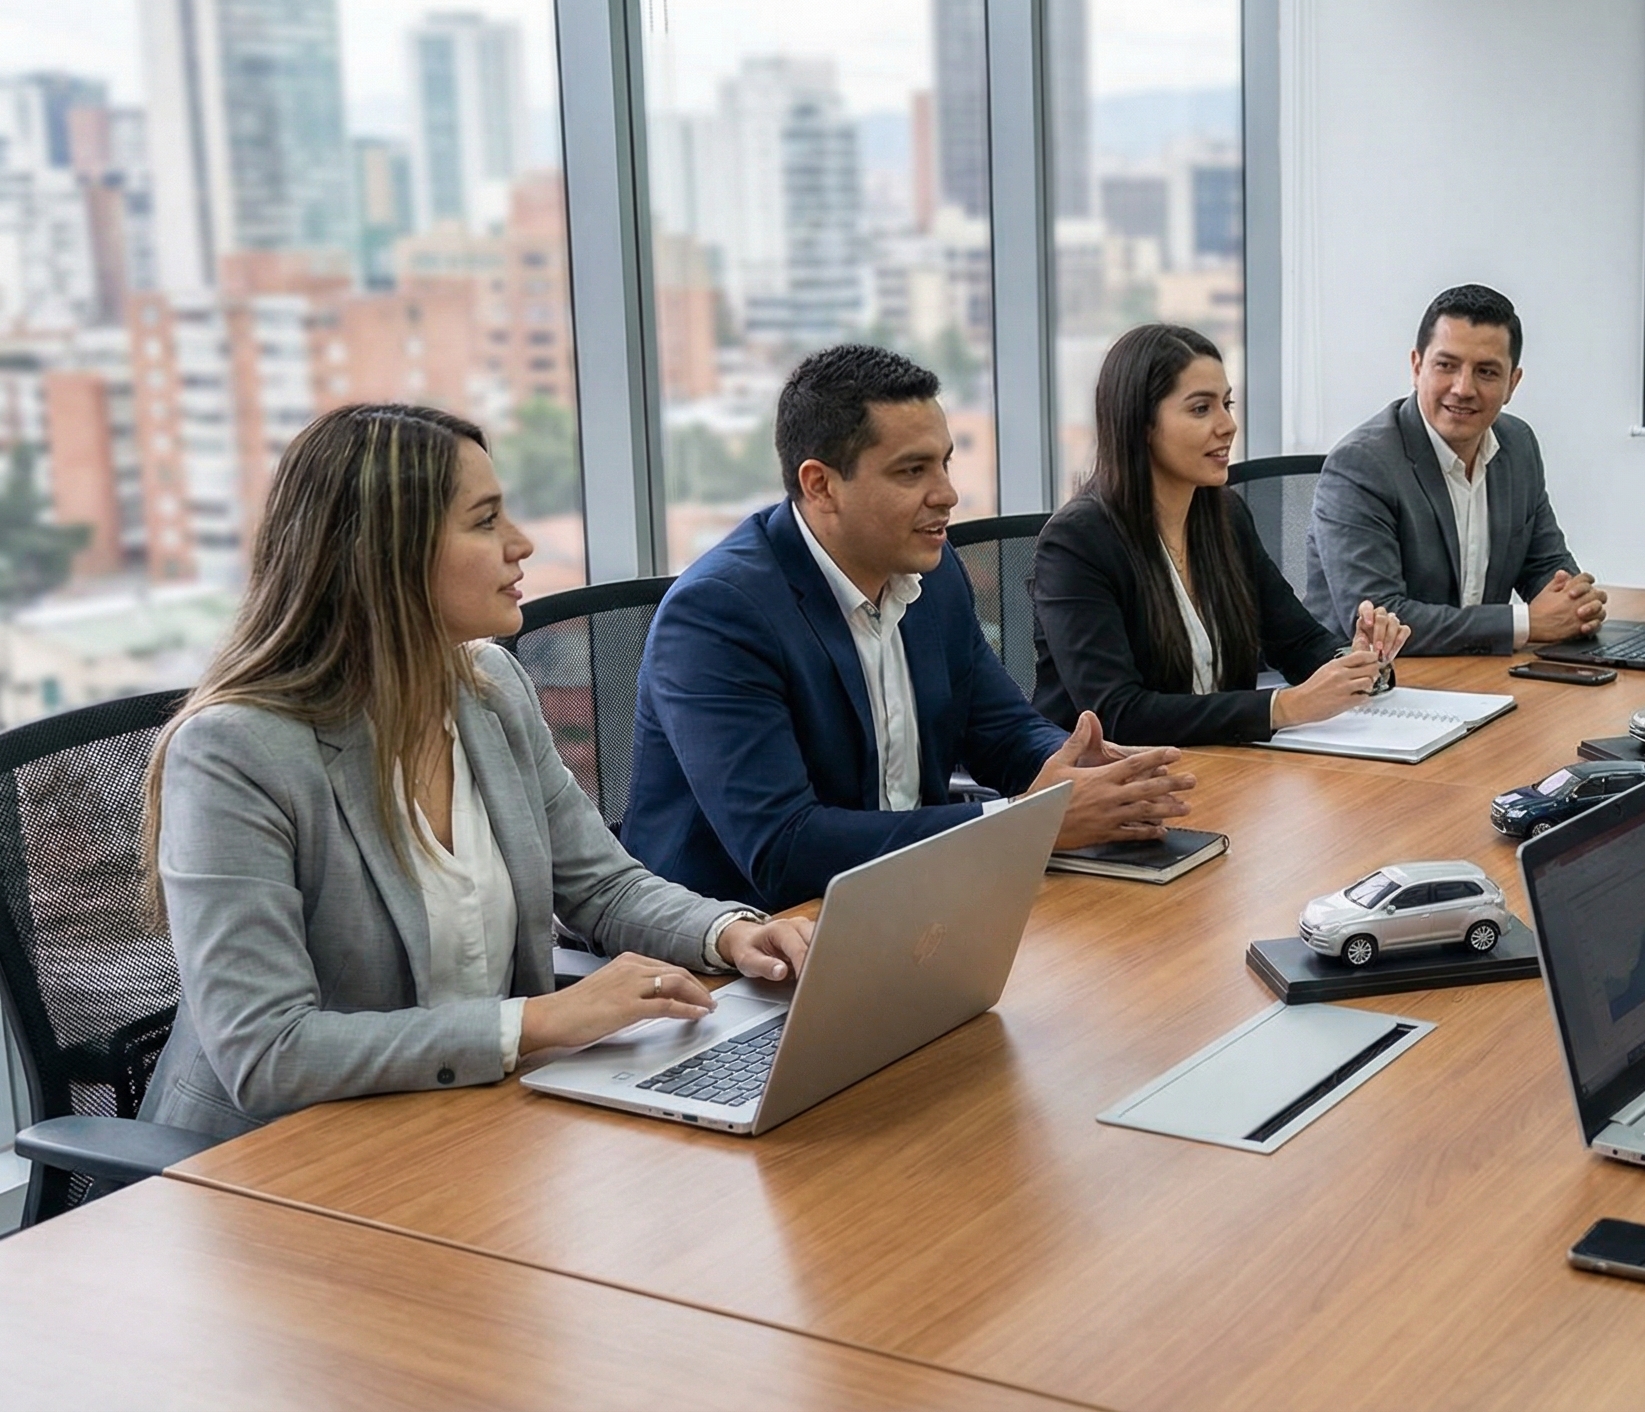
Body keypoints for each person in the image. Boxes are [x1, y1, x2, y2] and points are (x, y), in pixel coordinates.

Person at [140, 405, 816, 1139]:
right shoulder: (234, 752)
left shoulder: (488, 689)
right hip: (273, 1157)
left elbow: (600, 884)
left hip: (468, 1124)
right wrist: (536, 1022)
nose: (521, 544)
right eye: (486, 521)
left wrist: (730, 933)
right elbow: (269, 1051)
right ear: (385, 554)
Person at [625, 344, 1194, 912]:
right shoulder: (717, 614)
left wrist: (1081, 770)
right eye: (912, 471)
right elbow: (784, 849)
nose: (947, 494)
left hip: (906, 900)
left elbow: (1000, 730)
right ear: (820, 485)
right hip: (740, 937)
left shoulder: (932, 573)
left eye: (945, 463)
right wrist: (1029, 820)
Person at [1033, 324, 1411, 745]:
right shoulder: (1076, 543)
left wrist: (1358, 661)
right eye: (1201, 409)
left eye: (1226, 404)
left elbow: (1298, 642)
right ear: (1141, 424)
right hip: (1115, 774)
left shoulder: (1225, 516)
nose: (1228, 425)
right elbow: (1118, 713)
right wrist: (1283, 707)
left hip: (1223, 763)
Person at [1305, 283, 1604, 655]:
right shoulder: (1361, 465)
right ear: (1417, 367)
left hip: (1476, 672)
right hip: (1373, 678)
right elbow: (1378, 619)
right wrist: (1528, 623)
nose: (1463, 388)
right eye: (1446, 366)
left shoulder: (1518, 445)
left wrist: (1577, 605)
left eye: (1486, 372)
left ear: (1512, 384)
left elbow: (1546, 565)